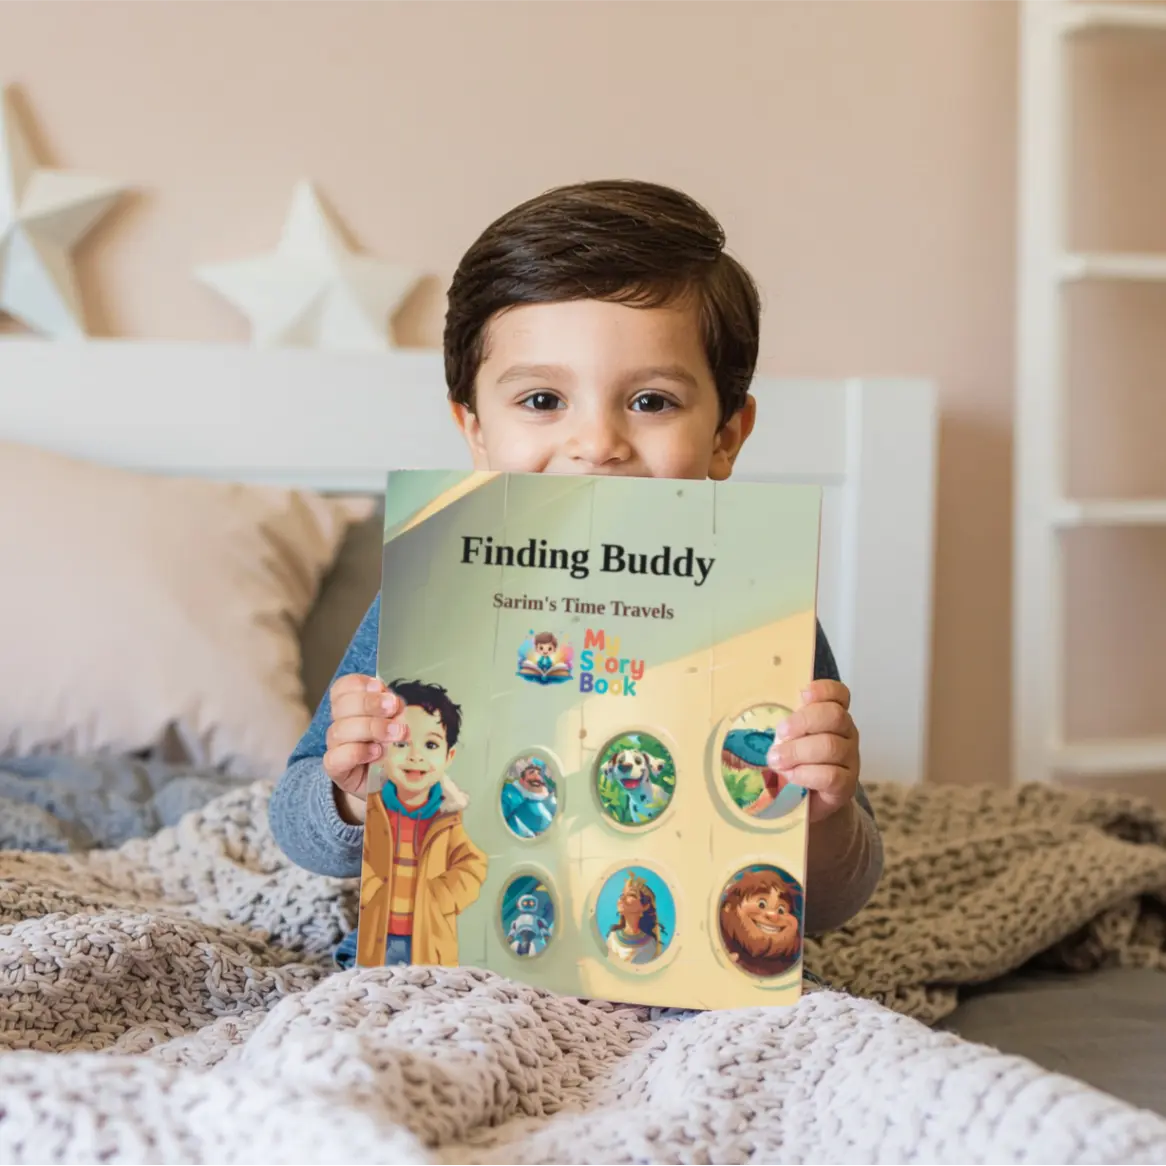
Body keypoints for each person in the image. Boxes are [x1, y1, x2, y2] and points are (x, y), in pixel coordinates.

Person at [268, 178, 884, 960]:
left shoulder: (758, 611)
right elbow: (293, 817)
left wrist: (823, 816)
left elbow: (832, 903)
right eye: (541, 400)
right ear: (475, 431)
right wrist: (351, 798)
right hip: (455, 965)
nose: (596, 445)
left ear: (727, 436)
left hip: (677, 970)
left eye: (652, 402)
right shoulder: (434, 593)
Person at [336, 678, 485, 969]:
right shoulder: (376, 809)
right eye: (402, 743)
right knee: (368, 979)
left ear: (449, 756)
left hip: (426, 940)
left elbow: (472, 864)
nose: (415, 755)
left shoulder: (447, 817)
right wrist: (376, 888)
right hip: (378, 933)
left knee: (427, 987)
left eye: (430, 744)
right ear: (381, 751)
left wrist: (440, 896)